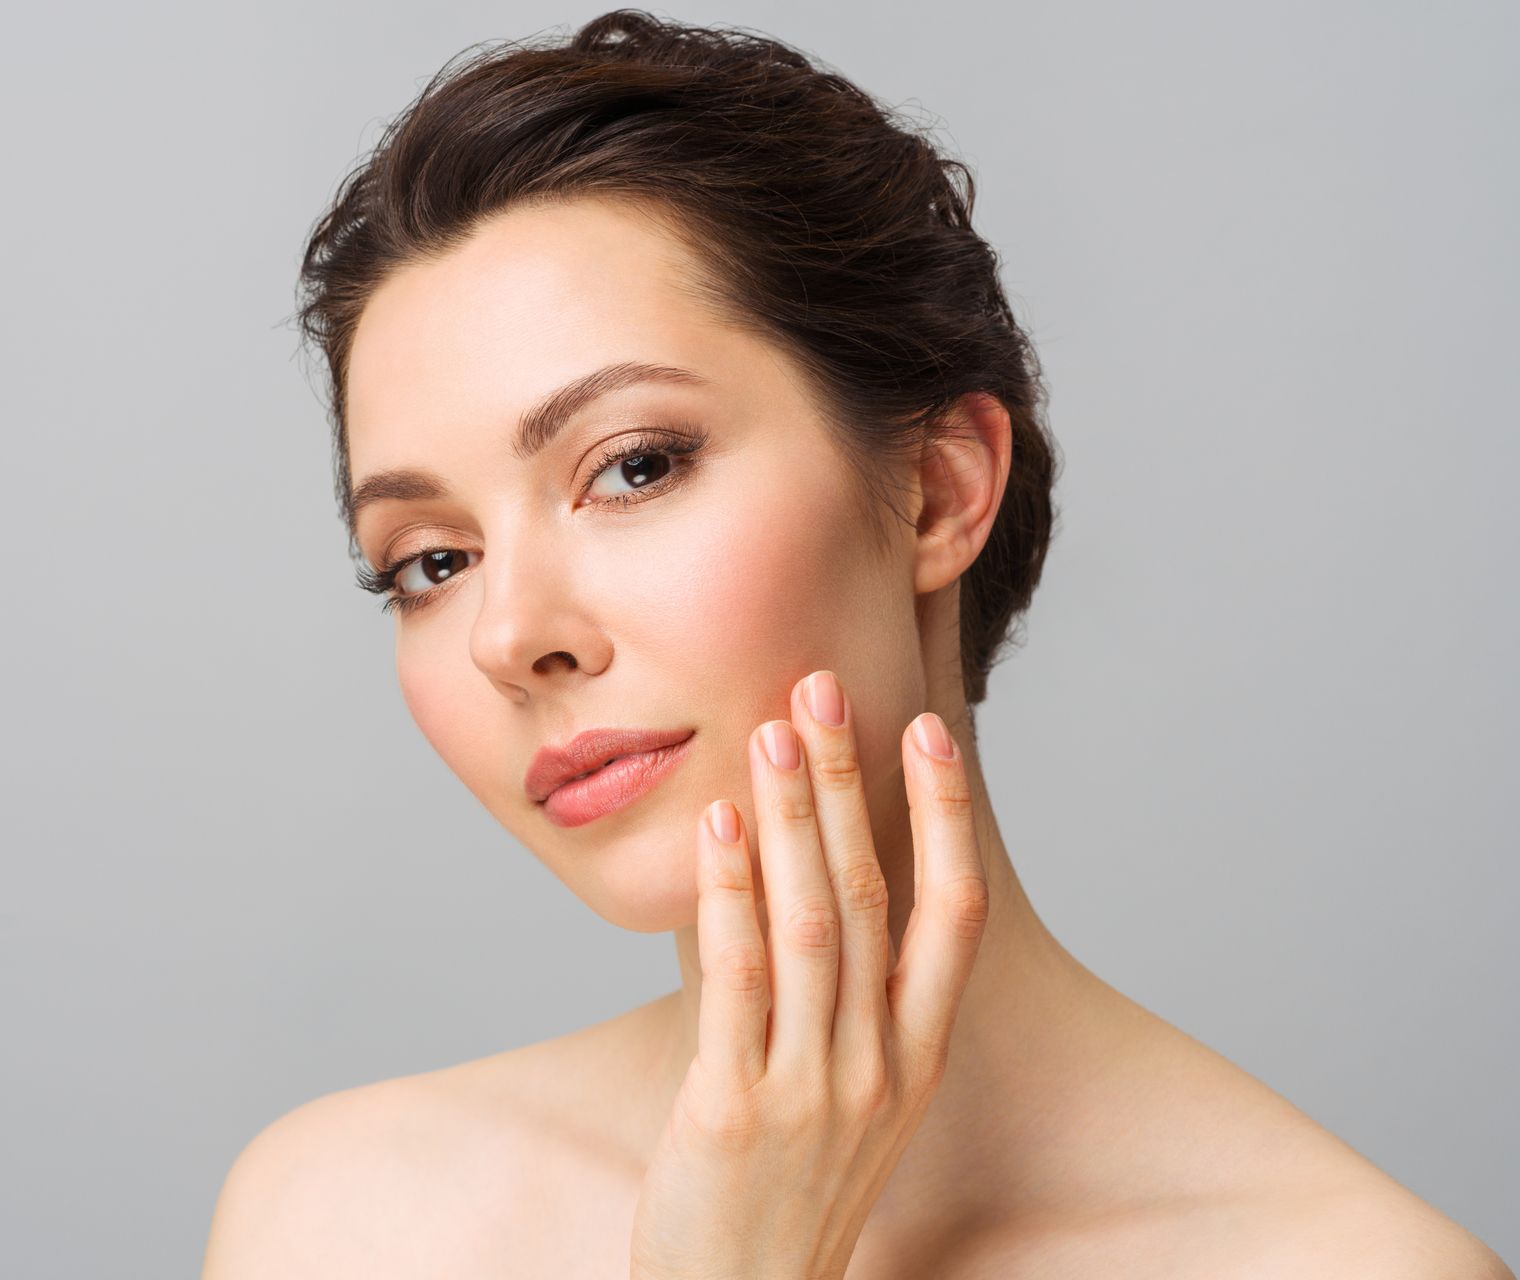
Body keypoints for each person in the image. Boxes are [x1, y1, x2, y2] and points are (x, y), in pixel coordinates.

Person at [203, 10, 1511, 1277]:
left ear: (937, 490)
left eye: (636, 465)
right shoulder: (345, 1223)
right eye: (432, 563)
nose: (509, 637)